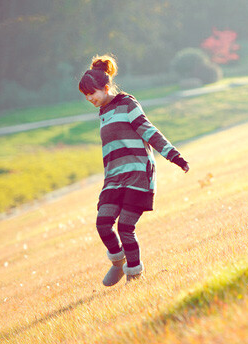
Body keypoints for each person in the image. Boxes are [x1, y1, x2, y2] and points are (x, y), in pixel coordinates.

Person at [78, 54, 189, 285]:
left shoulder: (127, 104)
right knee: (103, 223)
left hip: (138, 174)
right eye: (86, 95)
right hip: (114, 178)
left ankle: (135, 275)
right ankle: (118, 263)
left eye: (92, 93)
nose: (89, 98)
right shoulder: (103, 112)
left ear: (106, 87)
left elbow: (149, 132)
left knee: (126, 227)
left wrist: (174, 156)